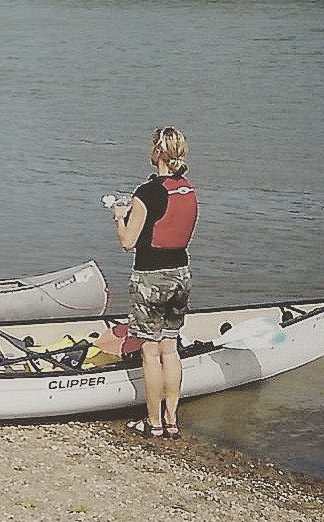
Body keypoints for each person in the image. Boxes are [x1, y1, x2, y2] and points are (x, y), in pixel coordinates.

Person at [110, 126, 198, 440]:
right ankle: (172, 420)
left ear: (157, 153)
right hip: (180, 275)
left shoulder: (146, 193)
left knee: (150, 353)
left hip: (150, 277)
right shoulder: (188, 189)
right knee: (170, 350)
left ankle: (153, 422)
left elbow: (128, 242)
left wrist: (119, 216)